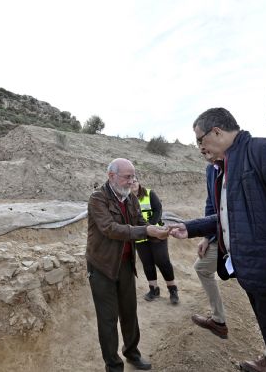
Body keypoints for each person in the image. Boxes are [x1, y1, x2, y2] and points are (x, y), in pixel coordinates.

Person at [168, 108, 266, 372]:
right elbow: (228, 217)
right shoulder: (223, 167)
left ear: (217, 132)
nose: (199, 147)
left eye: (200, 140)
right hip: (254, 276)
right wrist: (190, 228)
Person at [86, 158, 168, 372]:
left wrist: (158, 230)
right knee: (108, 319)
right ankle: (113, 366)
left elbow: (140, 223)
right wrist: (146, 231)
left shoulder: (130, 198)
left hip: (125, 265)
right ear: (111, 176)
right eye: (127, 177)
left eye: (133, 176)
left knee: (130, 312)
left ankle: (132, 353)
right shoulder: (98, 199)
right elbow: (110, 229)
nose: (132, 181)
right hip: (102, 267)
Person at [190, 155, 228, 338]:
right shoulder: (210, 169)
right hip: (220, 234)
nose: (202, 150)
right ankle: (218, 320)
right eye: (199, 145)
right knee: (201, 267)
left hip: (245, 237)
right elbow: (210, 204)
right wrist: (207, 237)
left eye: (204, 142)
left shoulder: (239, 161)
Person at [130, 179, 179, 304]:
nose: (133, 183)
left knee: (163, 261)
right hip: (140, 235)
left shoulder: (149, 194)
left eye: (135, 181)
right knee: (147, 263)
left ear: (139, 182)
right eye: (130, 182)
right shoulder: (126, 199)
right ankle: (153, 289)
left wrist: (149, 227)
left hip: (157, 233)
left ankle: (172, 290)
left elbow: (158, 210)